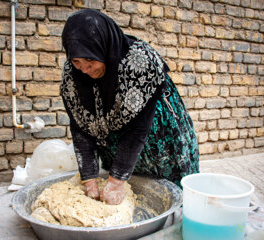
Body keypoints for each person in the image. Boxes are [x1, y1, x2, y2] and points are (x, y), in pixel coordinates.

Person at [60, 9, 199, 205]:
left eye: (90, 59)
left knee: (171, 194)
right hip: (116, 142)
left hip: (157, 135)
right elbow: (80, 127)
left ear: (104, 48)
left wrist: (116, 183)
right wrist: (89, 181)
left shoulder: (139, 61)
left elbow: (138, 129)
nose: (84, 69)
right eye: (76, 61)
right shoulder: (71, 74)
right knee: (129, 190)